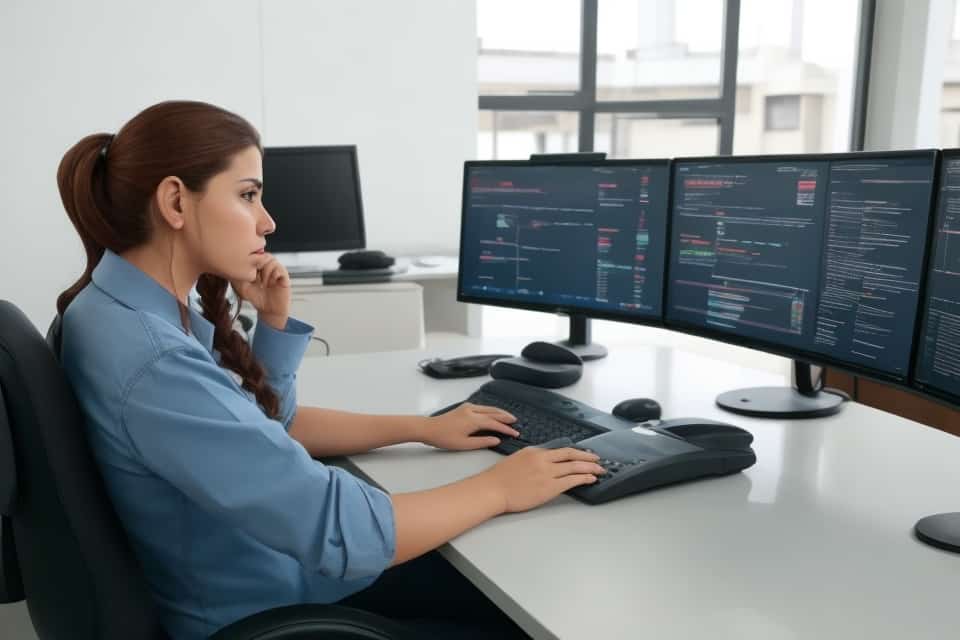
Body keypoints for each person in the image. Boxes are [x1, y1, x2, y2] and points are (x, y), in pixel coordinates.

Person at [56, 100, 605, 639]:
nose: (268, 222)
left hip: (276, 577)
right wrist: (500, 488)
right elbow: (341, 531)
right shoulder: (155, 359)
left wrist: (420, 427)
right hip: (269, 612)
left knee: (494, 572)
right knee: (536, 607)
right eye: (248, 195)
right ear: (175, 201)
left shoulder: (113, 311)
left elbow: (261, 428)